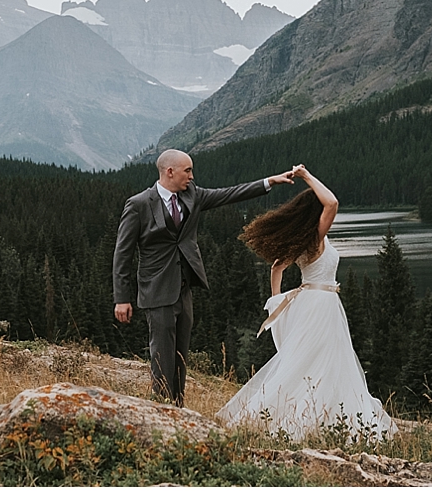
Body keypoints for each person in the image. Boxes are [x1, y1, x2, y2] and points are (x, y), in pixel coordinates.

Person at [217, 164, 398, 442]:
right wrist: (306, 176)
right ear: (317, 212)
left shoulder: (305, 240)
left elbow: (276, 268)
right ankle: (323, 416)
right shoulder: (315, 236)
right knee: (325, 359)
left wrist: (278, 300)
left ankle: (311, 414)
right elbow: (333, 202)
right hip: (321, 304)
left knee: (310, 359)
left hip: (312, 302)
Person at [113, 149, 295, 406]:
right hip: (156, 291)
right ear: (170, 172)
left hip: (184, 289)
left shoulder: (192, 195)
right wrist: (121, 298)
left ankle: (178, 408)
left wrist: (269, 182)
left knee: (180, 357)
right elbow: (123, 253)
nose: (192, 175)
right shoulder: (139, 204)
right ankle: (161, 409)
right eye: (187, 170)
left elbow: (229, 194)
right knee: (161, 356)